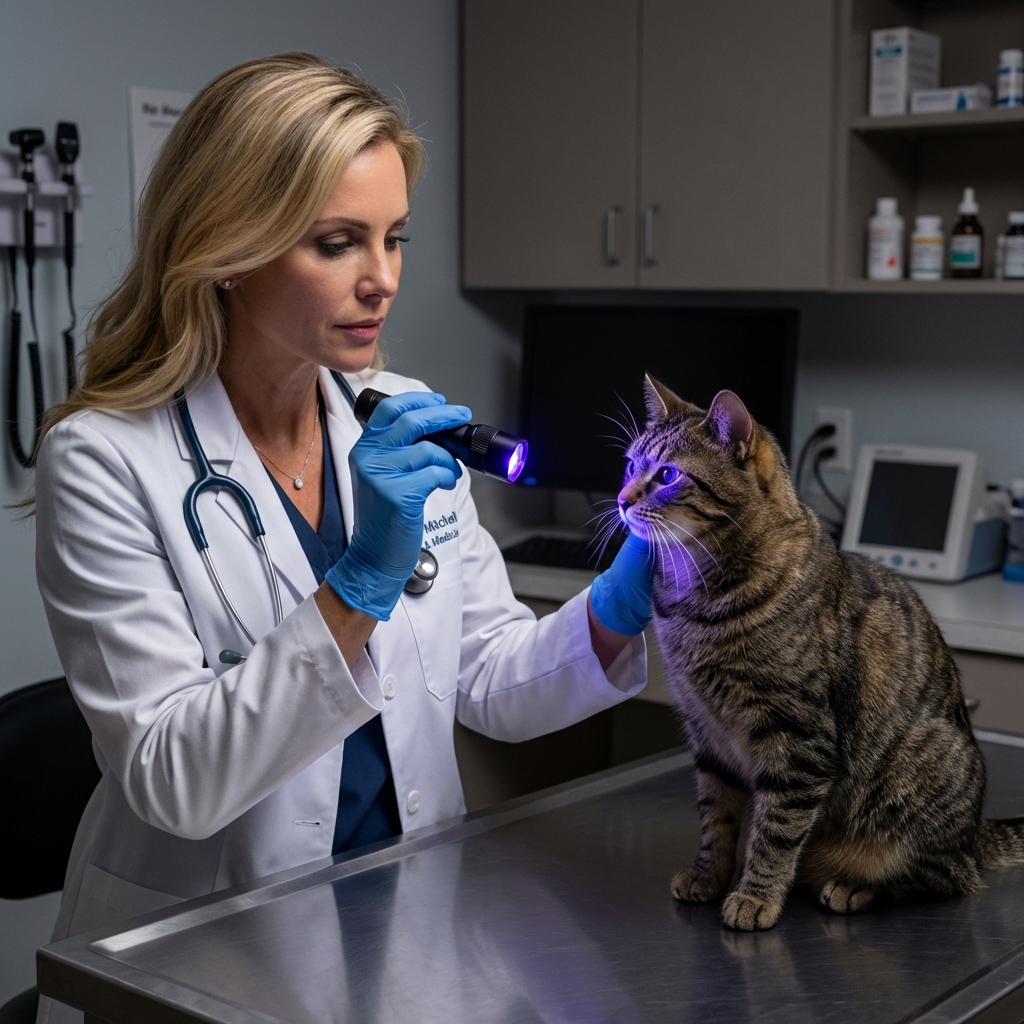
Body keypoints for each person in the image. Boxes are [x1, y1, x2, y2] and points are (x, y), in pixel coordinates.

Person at [32, 53, 653, 1024]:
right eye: (337, 242)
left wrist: (618, 607)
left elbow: (487, 676)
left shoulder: (400, 420)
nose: (383, 280)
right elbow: (172, 781)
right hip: (199, 952)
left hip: (402, 927)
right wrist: (360, 580)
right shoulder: (105, 459)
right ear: (230, 248)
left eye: (394, 238)